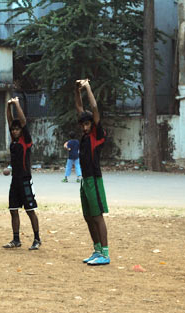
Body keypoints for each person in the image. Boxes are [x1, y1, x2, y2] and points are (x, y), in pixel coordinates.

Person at [75, 79, 109, 266]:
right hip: (84, 180)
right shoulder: (85, 136)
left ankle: (105, 252)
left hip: (94, 180)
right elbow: (79, 107)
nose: (85, 126)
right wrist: (76, 90)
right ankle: (96, 250)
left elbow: (93, 108)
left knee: (97, 216)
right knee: (88, 216)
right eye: (83, 124)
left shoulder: (97, 134)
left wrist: (88, 87)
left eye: (88, 124)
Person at [3, 97, 41, 251]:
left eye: (17, 129)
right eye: (13, 129)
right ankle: (16, 239)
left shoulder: (26, 140)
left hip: (25, 180)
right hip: (15, 180)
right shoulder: (14, 141)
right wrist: (7, 106)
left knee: (30, 210)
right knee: (13, 210)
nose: (14, 131)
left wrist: (17, 104)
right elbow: (9, 120)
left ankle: (37, 238)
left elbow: (23, 121)